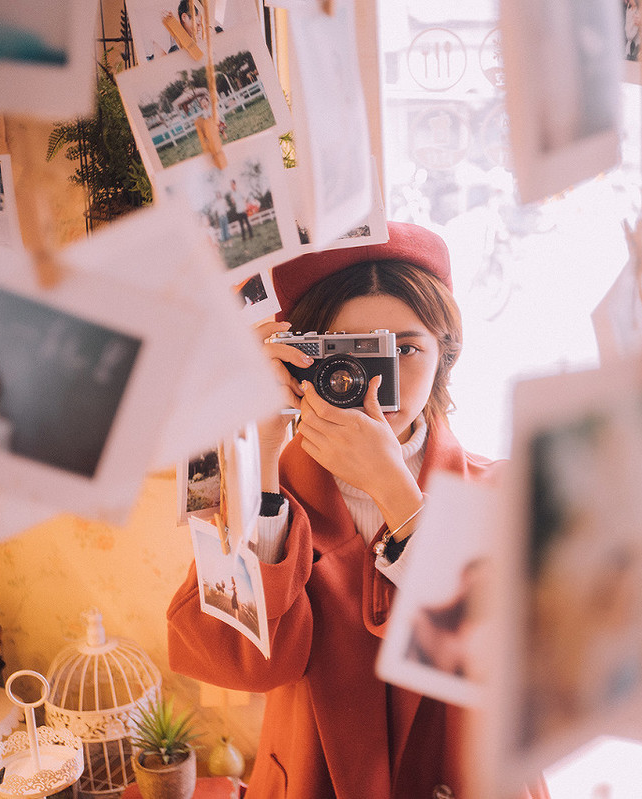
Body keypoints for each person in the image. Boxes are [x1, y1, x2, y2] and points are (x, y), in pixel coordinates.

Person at [167, 223, 548, 799]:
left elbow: (516, 674)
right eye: (352, 352)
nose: (380, 380)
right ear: (302, 361)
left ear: (445, 353)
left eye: (406, 349)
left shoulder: (498, 488)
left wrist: (395, 489)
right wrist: (264, 461)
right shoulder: (262, 486)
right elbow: (242, 665)